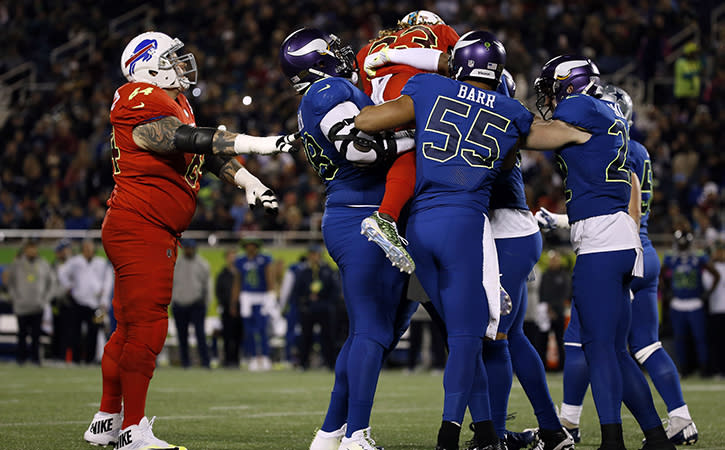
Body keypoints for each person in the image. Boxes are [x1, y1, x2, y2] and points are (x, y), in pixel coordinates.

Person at [355, 32, 589, 450]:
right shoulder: (510, 109)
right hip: (472, 225)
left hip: (429, 224)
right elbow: (550, 136)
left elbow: (367, 121)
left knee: (481, 338)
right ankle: (470, 435)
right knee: (473, 338)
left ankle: (498, 432)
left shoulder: (430, 87)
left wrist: (397, 70)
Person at [84, 30, 293, 449]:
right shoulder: (137, 96)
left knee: (127, 329)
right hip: (141, 224)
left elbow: (204, 151)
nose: (183, 65)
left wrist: (248, 179)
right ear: (149, 65)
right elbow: (177, 138)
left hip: (147, 225)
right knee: (147, 327)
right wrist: (257, 144)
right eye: (173, 58)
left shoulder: (175, 101)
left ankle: (106, 420)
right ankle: (133, 430)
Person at [280, 27, 415, 450]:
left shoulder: (319, 96)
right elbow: (359, 150)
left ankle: (330, 431)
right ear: (318, 62)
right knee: (373, 330)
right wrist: (420, 137)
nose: (343, 55)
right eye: (333, 51)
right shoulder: (330, 90)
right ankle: (357, 434)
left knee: (375, 332)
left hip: (354, 213)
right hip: (360, 215)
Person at [543, 84, 700, 445]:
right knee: (635, 346)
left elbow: (613, 197)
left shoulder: (609, 144)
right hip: (636, 245)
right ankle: (672, 423)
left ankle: (584, 426)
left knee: (589, 343)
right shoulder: (638, 149)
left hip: (609, 243)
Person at [356, 10, 459, 274]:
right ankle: (386, 215)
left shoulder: (370, 46)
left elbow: (362, 89)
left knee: (405, 144)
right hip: (410, 86)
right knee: (424, 146)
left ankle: (390, 212)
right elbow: (460, 65)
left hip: (375, 100)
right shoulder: (441, 32)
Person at [661, 227, 719, 376]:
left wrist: (706, 294)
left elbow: (716, 274)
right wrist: (667, 293)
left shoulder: (698, 257)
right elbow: (660, 275)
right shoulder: (671, 258)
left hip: (695, 302)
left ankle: (704, 369)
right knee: (680, 339)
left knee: (700, 338)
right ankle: (683, 369)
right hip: (678, 302)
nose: (682, 246)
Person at [58, 239, 114, 364]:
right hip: (78, 302)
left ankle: (90, 359)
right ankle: (76, 359)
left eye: (90, 247)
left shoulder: (101, 263)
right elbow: (62, 273)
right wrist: (69, 287)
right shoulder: (75, 261)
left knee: (94, 331)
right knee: (75, 331)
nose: (88, 250)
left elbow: (108, 281)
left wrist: (104, 299)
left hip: (95, 304)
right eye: (86, 248)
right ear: (82, 249)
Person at [292, 244, 340, 370]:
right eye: (311, 254)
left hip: (324, 308)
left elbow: (335, 290)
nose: (313, 257)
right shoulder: (303, 271)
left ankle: (330, 363)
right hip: (308, 309)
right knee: (305, 336)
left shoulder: (328, 270)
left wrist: (327, 304)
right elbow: (297, 291)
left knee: (328, 336)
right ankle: (303, 363)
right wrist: (304, 303)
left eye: (316, 254)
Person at [5, 239, 54, 365]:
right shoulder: (17, 264)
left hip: (38, 305)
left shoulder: (43, 263)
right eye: (29, 248)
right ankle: (21, 359)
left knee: (36, 335)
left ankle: (36, 360)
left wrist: (45, 300)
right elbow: (10, 283)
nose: (32, 250)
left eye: (34, 248)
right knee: (22, 334)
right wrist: (15, 298)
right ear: (25, 249)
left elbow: (51, 283)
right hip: (21, 306)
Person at [235, 238, 275, 371]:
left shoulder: (264, 259)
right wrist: (234, 301)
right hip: (247, 297)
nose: (250, 248)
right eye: (248, 245)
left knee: (262, 329)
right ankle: (252, 357)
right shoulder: (240, 260)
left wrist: (271, 295)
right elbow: (238, 281)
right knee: (249, 330)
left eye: (252, 245)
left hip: (262, 296)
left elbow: (269, 277)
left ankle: (264, 357)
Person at [170, 239, 211, 368]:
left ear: (194, 248)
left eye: (190, 248)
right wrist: (171, 303)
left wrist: (206, 303)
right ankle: (185, 363)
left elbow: (208, 286)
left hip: (197, 304)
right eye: (186, 248)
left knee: (200, 335)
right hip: (179, 304)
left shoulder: (202, 264)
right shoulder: (176, 263)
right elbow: (170, 284)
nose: (188, 250)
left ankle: (205, 362)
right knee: (182, 336)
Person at [538, 250, 570, 371]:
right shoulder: (546, 275)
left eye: (555, 259)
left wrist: (555, 309)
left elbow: (565, 295)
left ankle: (562, 367)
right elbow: (542, 293)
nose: (553, 262)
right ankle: (542, 366)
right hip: (545, 313)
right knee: (542, 341)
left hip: (559, 313)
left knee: (560, 340)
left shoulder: (564, 276)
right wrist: (547, 309)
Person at [215, 248, 242, 368]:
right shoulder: (222, 275)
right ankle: (227, 360)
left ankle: (236, 360)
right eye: (230, 256)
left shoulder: (241, 274)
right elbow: (219, 292)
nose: (233, 259)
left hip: (240, 309)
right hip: (226, 310)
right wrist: (225, 304)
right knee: (226, 336)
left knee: (238, 336)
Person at [49, 238, 73, 362]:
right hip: (56, 301)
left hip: (69, 302)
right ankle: (56, 355)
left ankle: (65, 356)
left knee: (67, 331)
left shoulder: (73, 265)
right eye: (63, 250)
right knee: (56, 329)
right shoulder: (53, 266)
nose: (66, 252)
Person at [705, 241, 725, 377]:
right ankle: (718, 369)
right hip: (716, 309)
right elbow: (706, 287)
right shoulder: (710, 269)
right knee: (717, 342)